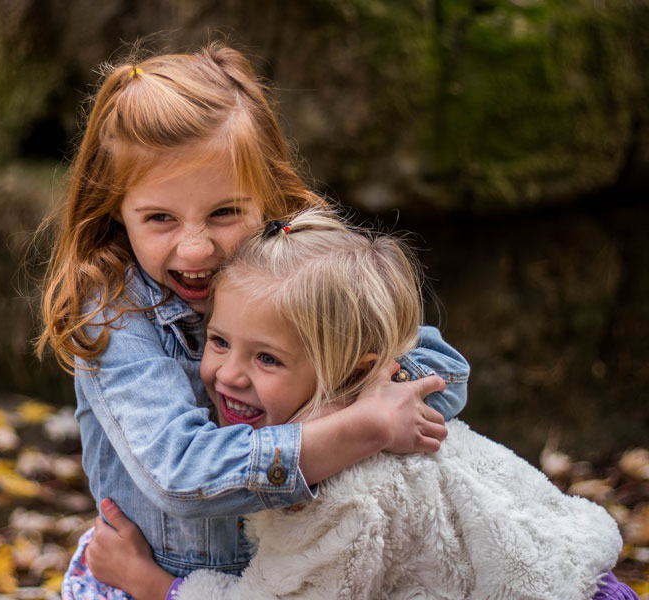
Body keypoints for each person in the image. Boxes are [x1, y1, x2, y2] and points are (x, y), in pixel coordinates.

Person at [37, 42, 469, 600]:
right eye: (160, 218)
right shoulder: (114, 315)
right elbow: (181, 473)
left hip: (294, 579)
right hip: (158, 579)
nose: (195, 249)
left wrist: (349, 402)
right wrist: (360, 427)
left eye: (224, 212)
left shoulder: (296, 271)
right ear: (115, 210)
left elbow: (443, 373)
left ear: (266, 197)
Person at [86, 210, 635, 600]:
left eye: (268, 360)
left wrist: (153, 585)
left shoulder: (347, 493)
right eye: (220, 341)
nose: (229, 374)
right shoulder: (384, 406)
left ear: (351, 369)